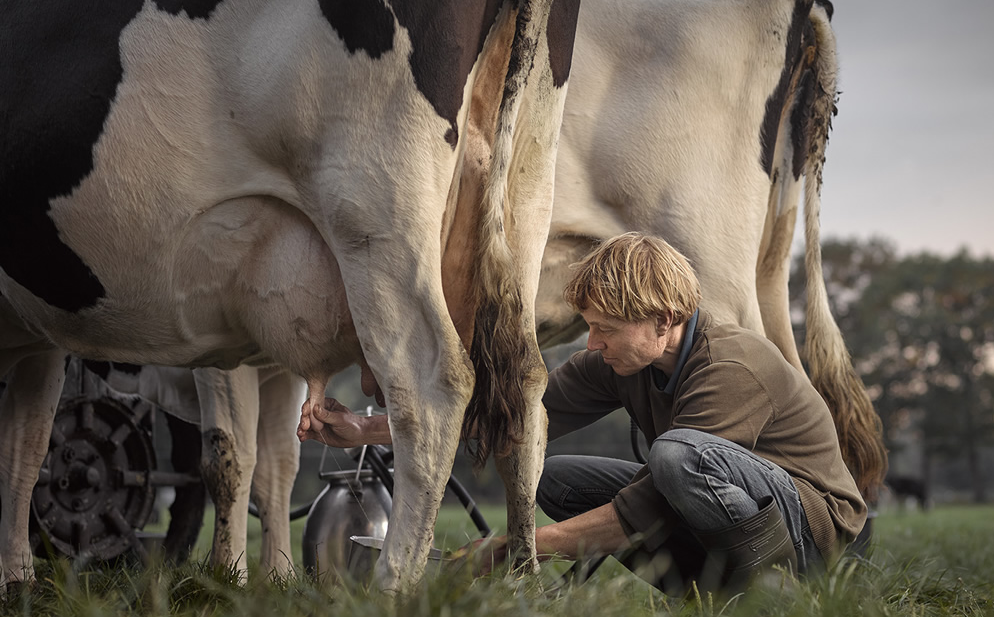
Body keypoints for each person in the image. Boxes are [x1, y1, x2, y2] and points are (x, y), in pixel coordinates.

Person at [298, 232, 867, 594]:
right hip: (728, 501)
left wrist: (515, 547)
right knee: (554, 476)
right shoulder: (618, 359)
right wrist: (368, 430)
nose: (590, 344)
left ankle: (775, 596)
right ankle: (707, 591)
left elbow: (649, 499)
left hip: (819, 532)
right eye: (590, 327)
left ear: (664, 321)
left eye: (606, 330)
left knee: (675, 459)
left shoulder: (732, 366)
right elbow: (511, 416)